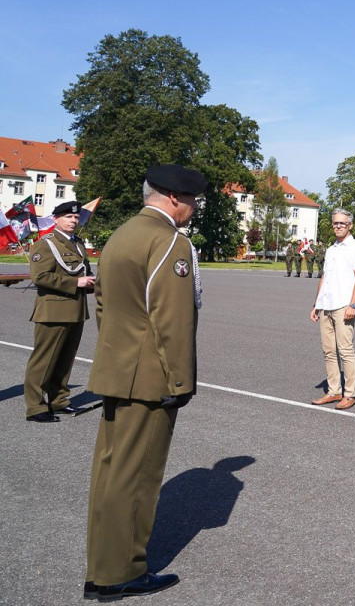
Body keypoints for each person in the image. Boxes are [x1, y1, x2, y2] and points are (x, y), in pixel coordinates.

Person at [84, 164, 206, 600]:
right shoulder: (170, 240)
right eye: (192, 199)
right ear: (173, 196)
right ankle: (121, 571)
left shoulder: (121, 234)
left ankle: (101, 565)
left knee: (111, 471)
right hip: (151, 376)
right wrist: (180, 380)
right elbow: (172, 320)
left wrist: (121, 354)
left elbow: (104, 305)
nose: (194, 208)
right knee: (137, 477)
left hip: (119, 368)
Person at [24, 200, 95, 422]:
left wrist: (92, 284)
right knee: (43, 361)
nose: (73, 221)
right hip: (53, 310)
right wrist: (76, 283)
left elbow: (83, 272)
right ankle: (35, 407)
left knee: (65, 360)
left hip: (76, 309)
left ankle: (59, 400)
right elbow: (40, 277)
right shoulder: (46, 244)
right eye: (67, 217)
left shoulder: (77, 243)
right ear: (56, 219)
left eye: (75, 218)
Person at [309, 209, 355, 410]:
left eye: (342, 223)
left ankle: (350, 394)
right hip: (326, 305)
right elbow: (325, 278)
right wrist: (316, 304)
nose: (338, 226)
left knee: (345, 350)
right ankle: (334, 391)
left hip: (344, 305)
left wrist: (353, 304)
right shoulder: (331, 249)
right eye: (335, 223)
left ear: (350, 225)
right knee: (328, 351)